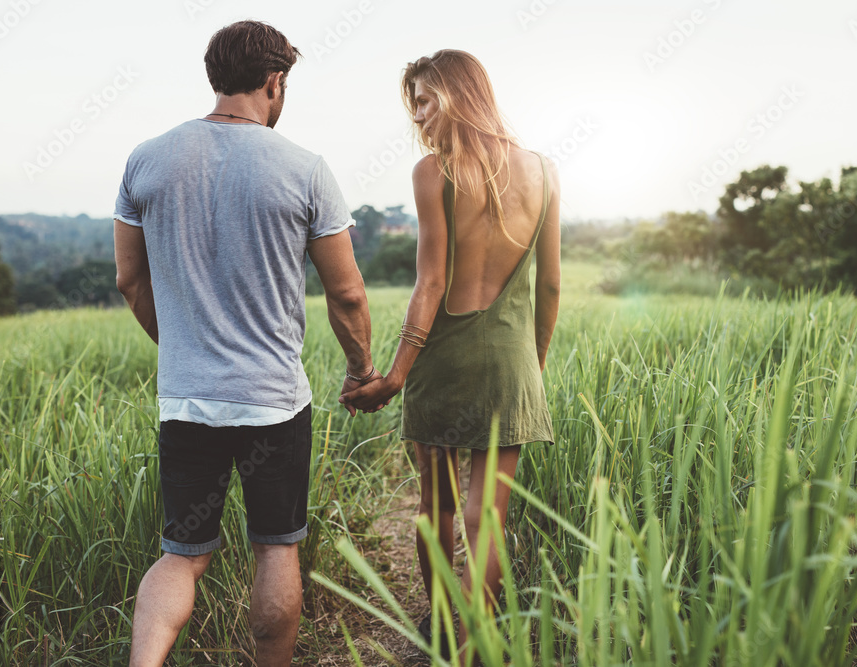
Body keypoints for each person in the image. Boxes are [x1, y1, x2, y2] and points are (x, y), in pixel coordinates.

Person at [113, 20, 380, 666]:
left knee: (183, 555)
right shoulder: (305, 169)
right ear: (274, 82)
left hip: (186, 399)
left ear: (216, 78)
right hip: (273, 404)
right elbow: (346, 294)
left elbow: (129, 277)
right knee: (275, 546)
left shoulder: (146, 160)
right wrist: (361, 368)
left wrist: (179, 345)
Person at [340, 49, 561, 661]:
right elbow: (551, 286)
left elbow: (430, 285)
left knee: (436, 508)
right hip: (511, 364)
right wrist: (532, 370)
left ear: (459, 94)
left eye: (425, 100)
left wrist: (394, 376)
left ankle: (440, 632)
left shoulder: (432, 173)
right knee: (487, 517)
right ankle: (479, 641)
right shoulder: (544, 170)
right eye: (412, 105)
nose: (418, 117)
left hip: (441, 364)